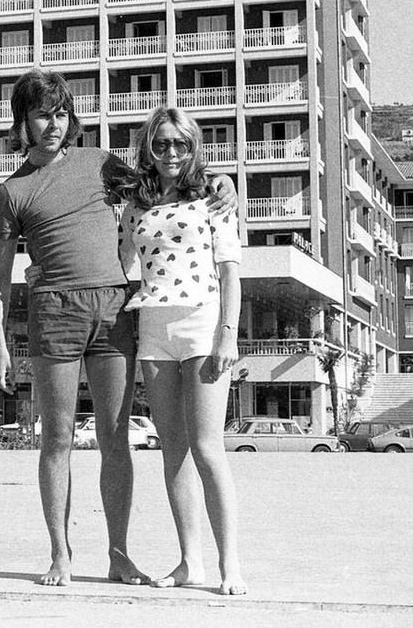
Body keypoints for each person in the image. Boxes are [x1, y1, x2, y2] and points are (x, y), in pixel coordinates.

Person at [0, 69, 235, 587]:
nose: (52, 125)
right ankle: (60, 553)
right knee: (55, 438)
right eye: (40, 115)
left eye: (59, 113)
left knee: (115, 436)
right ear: (23, 122)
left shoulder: (100, 163)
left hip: (115, 310)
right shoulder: (11, 193)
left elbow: (163, 183)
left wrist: (220, 180)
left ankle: (118, 554)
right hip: (53, 311)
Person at [118, 106, 246, 596]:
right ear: (148, 147)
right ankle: (190, 561)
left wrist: (227, 335)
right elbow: (124, 263)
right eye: (162, 143)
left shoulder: (213, 199)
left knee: (207, 447)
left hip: (202, 322)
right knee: (172, 450)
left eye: (182, 144)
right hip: (152, 327)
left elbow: (231, 271)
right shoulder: (136, 205)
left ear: (195, 149)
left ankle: (229, 563)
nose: (172, 152)